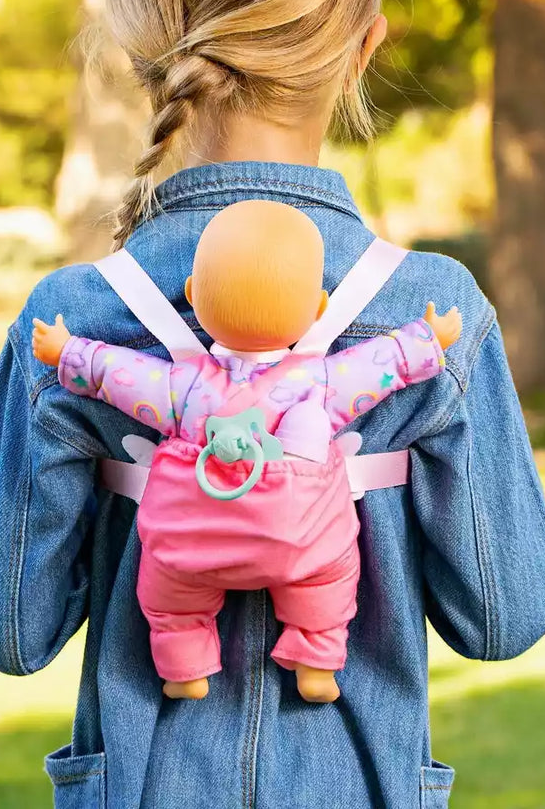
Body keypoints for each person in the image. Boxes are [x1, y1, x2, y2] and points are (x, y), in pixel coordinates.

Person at [0, 0, 545, 809]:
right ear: (363, 45)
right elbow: (505, 615)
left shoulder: (73, 322)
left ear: (140, 48)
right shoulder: (428, 313)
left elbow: (7, 629)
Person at [31, 199, 463, 705]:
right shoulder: (319, 383)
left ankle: (183, 667)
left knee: (170, 601)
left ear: (193, 295)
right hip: (299, 543)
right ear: (319, 309)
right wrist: (426, 341)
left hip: (192, 546)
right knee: (328, 581)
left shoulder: (184, 387)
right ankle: (316, 661)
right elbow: (378, 365)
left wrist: (68, 352)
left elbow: (120, 375)